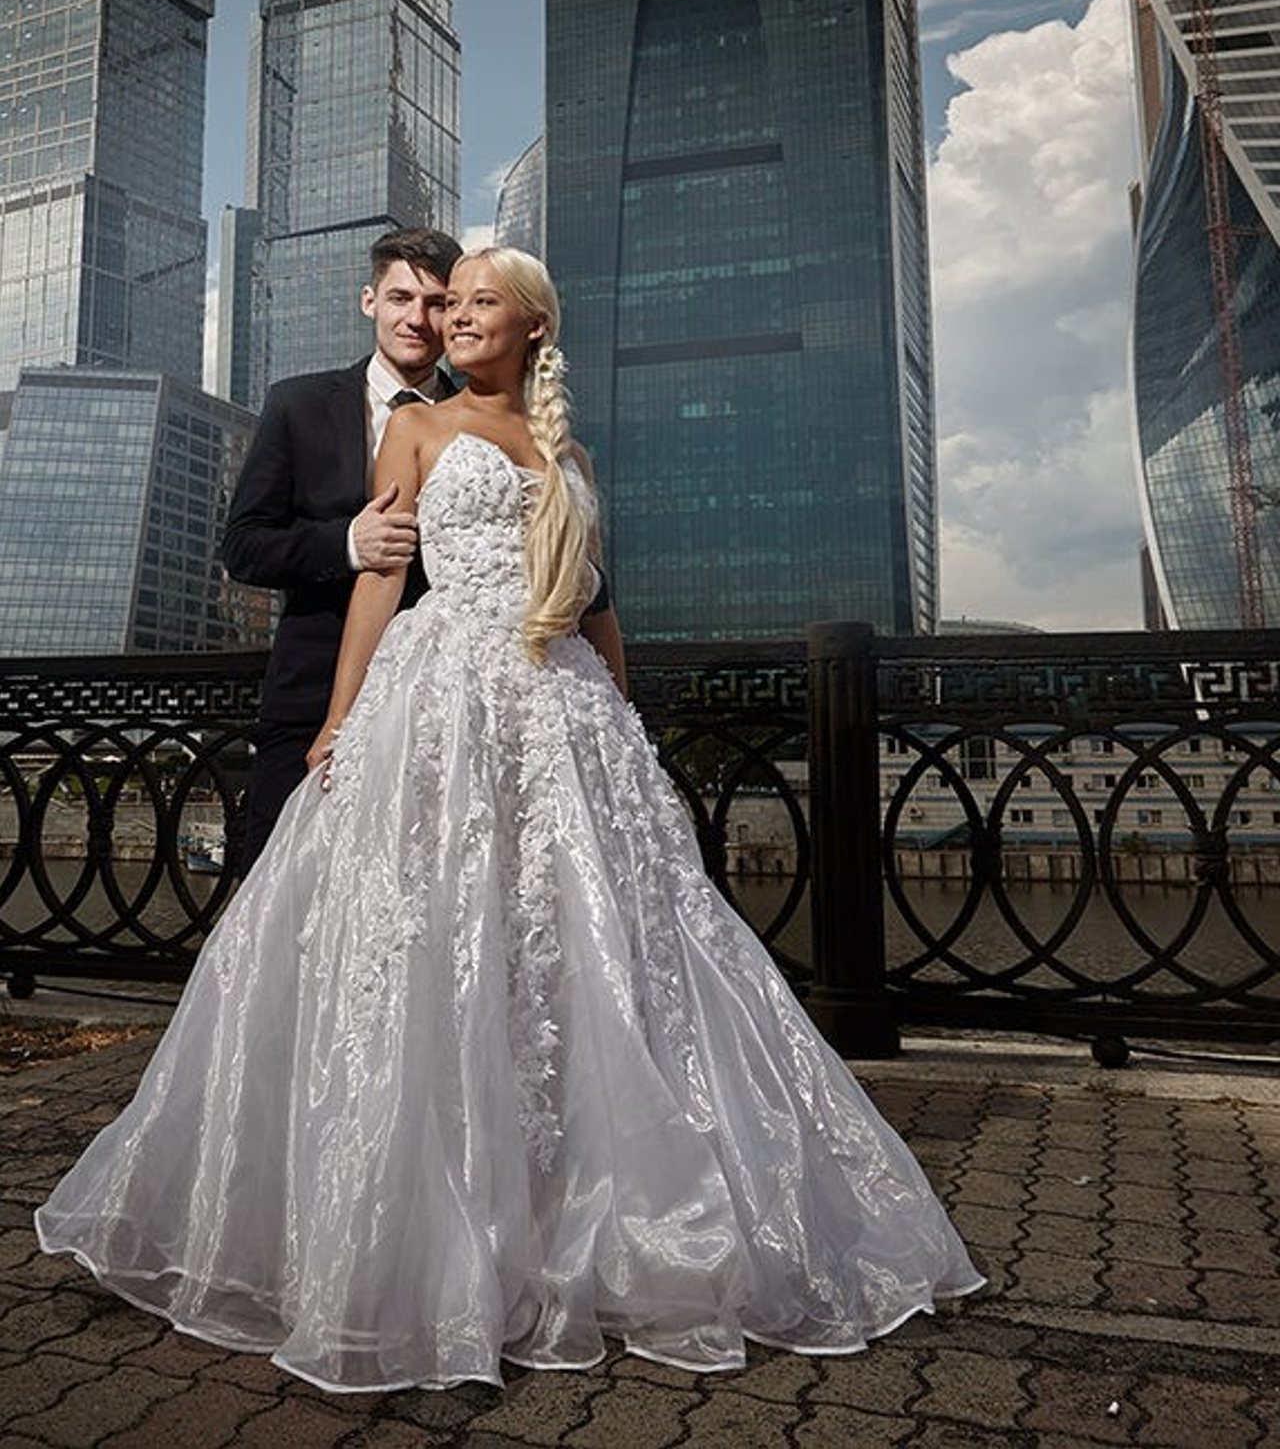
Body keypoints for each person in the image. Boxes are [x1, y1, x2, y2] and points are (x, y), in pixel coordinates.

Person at [36, 248, 983, 1393]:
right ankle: (431, 1231)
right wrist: (340, 717)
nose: (452, 316)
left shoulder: (571, 454)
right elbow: (379, 582)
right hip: (443, 697)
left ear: (534, 326)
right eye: (446, 302)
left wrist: (620, 717)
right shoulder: (415, 430)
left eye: (478, 301)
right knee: (437, 938)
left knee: (582, 952)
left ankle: (586, 1206)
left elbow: (594, 600)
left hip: (562, 706)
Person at [222, 225, 462, 872]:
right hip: (311, 698)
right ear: (369, 301)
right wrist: (347, 544)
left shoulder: (481, 418)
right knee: (281, 888)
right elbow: (243, 547)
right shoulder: (297, 405)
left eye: (436, 303)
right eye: (400, 298)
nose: (417, 319)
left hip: (441, 704)